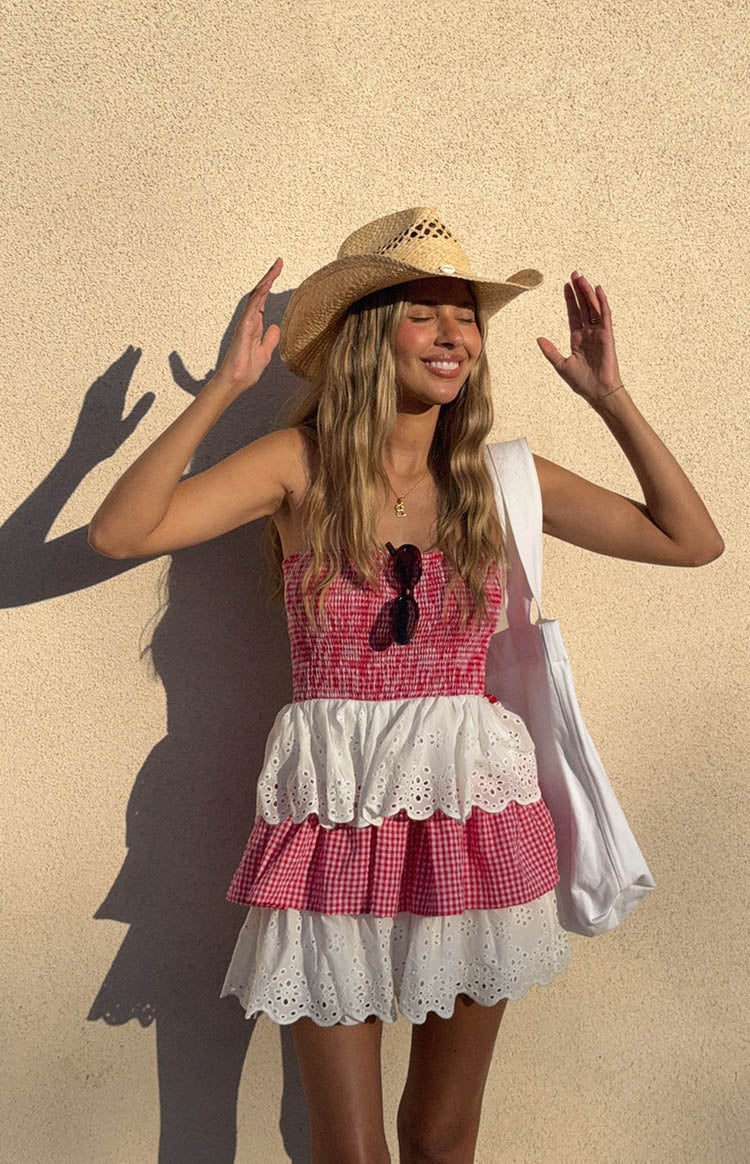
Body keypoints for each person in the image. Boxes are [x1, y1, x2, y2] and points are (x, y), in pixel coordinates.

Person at [88, 207, 724, 1164]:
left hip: (473, 816)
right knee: (350, 1151)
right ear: (368, 335)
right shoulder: (298, 466)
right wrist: (224, 390)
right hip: (332, 814)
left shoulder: (500, 478)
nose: (452, 333)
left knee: (439, 1135)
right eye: (422, 312)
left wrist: (613, 398)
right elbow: (121, 533)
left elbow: (691, 540)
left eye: (465, 315)